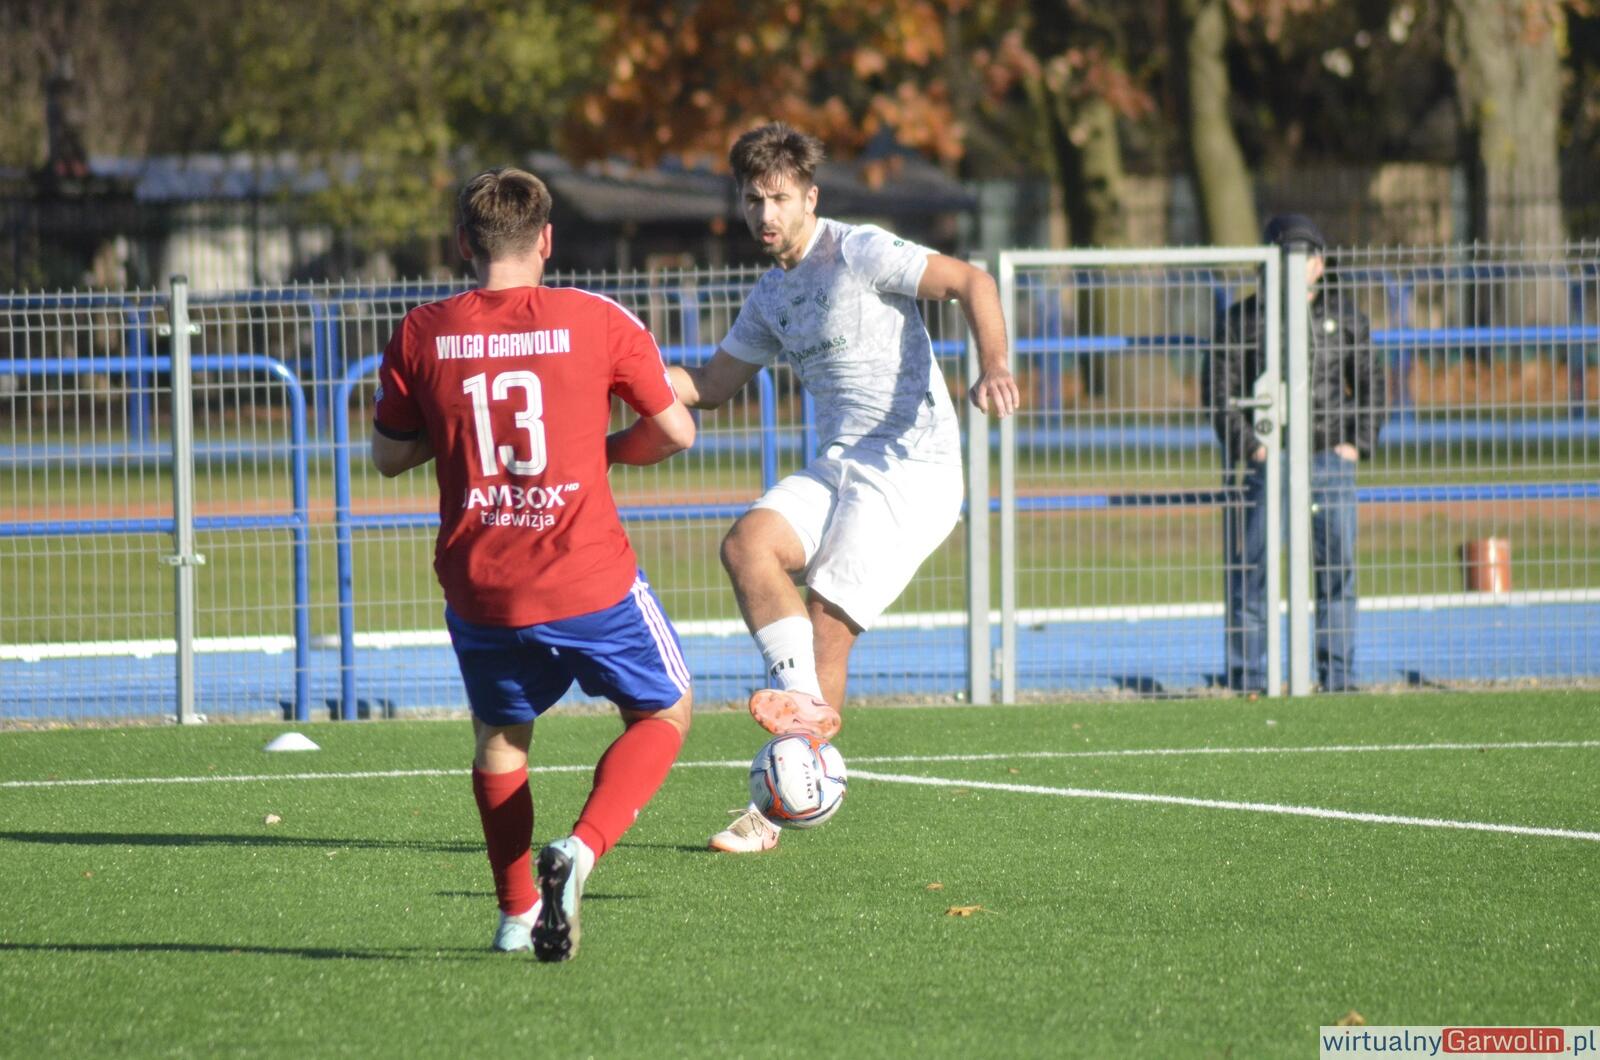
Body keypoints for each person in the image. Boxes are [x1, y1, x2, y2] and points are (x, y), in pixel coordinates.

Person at [371, 166, 697, 961]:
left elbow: (388, 455)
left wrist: (456, 431)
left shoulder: (422, 331)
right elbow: (676, 432)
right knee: (665, 711)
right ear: (546, 239)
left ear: (463, 243)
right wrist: (600, 451)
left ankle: (517, 914)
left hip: (482, 584)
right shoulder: (596, 318)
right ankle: (580, 851)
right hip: (586, 574)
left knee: (501, 740)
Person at [668, 123, 1019, 853]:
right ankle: (803, 712)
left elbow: (972, 281)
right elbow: (711, 385)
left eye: (780, 198)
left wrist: (994, 365)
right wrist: (622, 370)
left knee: (826, 615)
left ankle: (777, 809)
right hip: (841, 463)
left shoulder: (859, 251)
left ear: (811, 198)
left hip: (911, 468)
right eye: (753, 200)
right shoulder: (771, 295)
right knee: (748, 546)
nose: (766, 214)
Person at [1205, 213, 1386, 693]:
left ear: (1320, 264)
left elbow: (1372, 383)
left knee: (1337, 571)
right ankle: (1249, 677)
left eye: (1306, 257)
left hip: (1329, 459)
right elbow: (1219, 392)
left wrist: (1357, 445)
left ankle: (1338, 676)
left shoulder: (1346, 319)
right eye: (1286, 256)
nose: (1297, 266)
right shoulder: (1242, 321)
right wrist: (1252, 447)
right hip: (1269, 462)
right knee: (1254, 570)